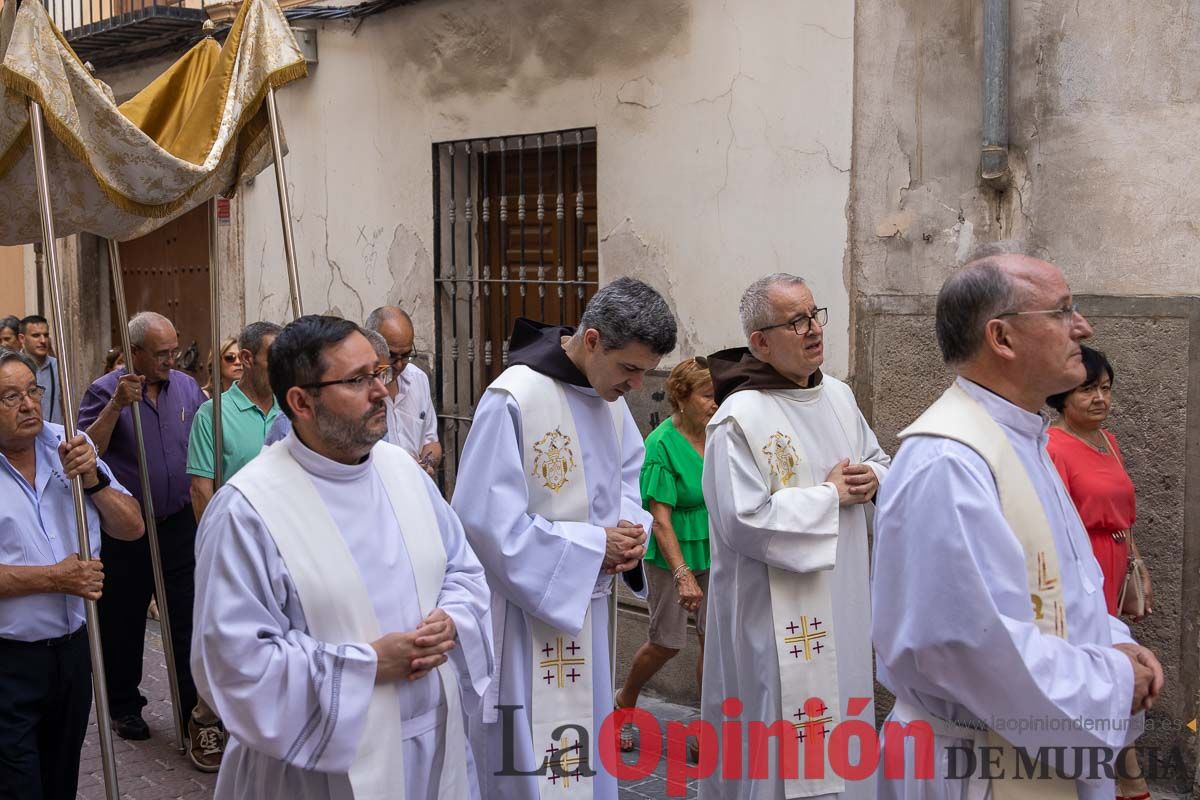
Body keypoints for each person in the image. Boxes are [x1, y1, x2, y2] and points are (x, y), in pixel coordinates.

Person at [872, 243, 1163, 800]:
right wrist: (1115, 679)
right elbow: (968, 645)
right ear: (1001, 338)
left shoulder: (1023, 438)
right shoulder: (949, 460)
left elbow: (1066, 585)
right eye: (1061, 310)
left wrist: (1114, 643)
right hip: (975, 765)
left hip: (1029, 749)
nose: (1083, 326)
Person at [191, 315, 492, 800]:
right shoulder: (247, 510)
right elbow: (232, 664)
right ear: (301, 401)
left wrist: (453, 619)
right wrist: (367, 664)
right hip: (318, 769)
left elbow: (462, 568)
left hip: (432, 749)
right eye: (358, 380)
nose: (383, 392)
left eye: (380, 373)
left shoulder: (403, 471)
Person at [452, 277, 676, 799]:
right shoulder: (514, 397)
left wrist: (630, 534)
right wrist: (594, 546)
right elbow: (484, 521)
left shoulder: (611, 399)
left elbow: (628, 484)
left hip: (587, 613)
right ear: (592, 340)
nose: (636, 386)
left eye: (645, 372)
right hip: (522, 623)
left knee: (580, 759)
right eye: (630, 369)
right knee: (527, 760)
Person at [698, 274, 889, 800]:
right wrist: (829, 498)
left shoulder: (840, 396)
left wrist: (874, 479)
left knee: (843, 714)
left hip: (843, 603)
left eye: (814, 315)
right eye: (796, 321)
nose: (813, 330)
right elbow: (741, 519)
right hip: (771, 616)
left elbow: (876, 460)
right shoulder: (739, 418)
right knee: (781, 736)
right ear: (760, 341)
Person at [0, 348, 144, 799]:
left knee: (61, 777)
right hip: (8, 660)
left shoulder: (69, 444)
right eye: (9, 397)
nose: (28, 405)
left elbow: (132, 526)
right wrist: (53, 579)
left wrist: (94, 481)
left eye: (32, 391)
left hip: (75, 653)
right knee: (18, 785)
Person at [77, 311, 213, 766]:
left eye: (174, 350)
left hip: (177, 522)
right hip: (127, 527)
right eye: (161, 353)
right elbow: (86, 452)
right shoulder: (103, 391)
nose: (171, 359)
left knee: (184, 614)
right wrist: (116, 405)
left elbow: (201, 439)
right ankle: (124, 705)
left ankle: (191, 705)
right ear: (134, 353)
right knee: (124, 618)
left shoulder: (187, 387)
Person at [1046, 344, 1152, 800]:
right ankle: (1123, 779)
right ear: (1062, 396)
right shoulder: (1052, 446)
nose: (1099, 399)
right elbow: (1053, 523)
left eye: (1105, 389)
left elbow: (1123, 515)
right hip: (1079, 567)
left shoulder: (1108, 441)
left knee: (1117, 662)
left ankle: (1121, 777)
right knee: (1097, 664)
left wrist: (1137, 564)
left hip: (1114, 564)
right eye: (1087, 389)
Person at [616, 357, 716, 754]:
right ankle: (624, 700)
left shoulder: (720, 434)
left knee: (714, 642)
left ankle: (705, 731)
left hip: (715, 545)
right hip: (672, 551)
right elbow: (660, 520)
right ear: (682, 396)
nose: (715, 403)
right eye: (708, 396)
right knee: (668, 641)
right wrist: (682, 574)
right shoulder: (660, 445)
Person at [187, 321, 283, 520]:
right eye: (275, 359)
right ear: (247, 358)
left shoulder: (290, 408)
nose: (283, 368)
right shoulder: (211, 414)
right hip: (239, 534)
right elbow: (201, 491)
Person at [364, 306, 441, 474]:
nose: (399, 365)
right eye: (392, 356)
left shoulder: (418, 379)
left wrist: (426, 464)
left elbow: (431, 441)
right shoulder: (361, 390)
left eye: (406, 355)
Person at [19, 314, 62, 424]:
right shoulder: (11, 368)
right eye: (36, 335)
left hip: (54, 438)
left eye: (46, 335)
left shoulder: (60, 369)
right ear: (22, 338)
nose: (43, 340)